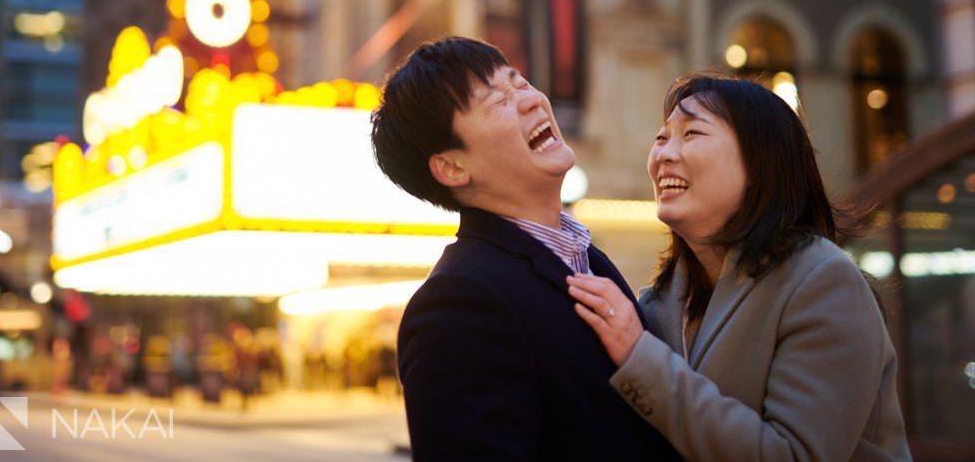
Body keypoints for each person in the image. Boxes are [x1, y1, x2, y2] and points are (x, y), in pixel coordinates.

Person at [567, 73, 912, 462]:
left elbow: (793, 455)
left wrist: (639, 357)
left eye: (692, 134)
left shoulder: (823, 280)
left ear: (758, 162)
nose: (663, 154)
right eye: (662, 138)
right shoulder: (658, 304)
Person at [371, 37, 678, 462]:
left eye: (520, 81)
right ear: (452, 166)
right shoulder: (458, 304)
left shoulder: (586, 257)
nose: (532, 100)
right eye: (497, 101)